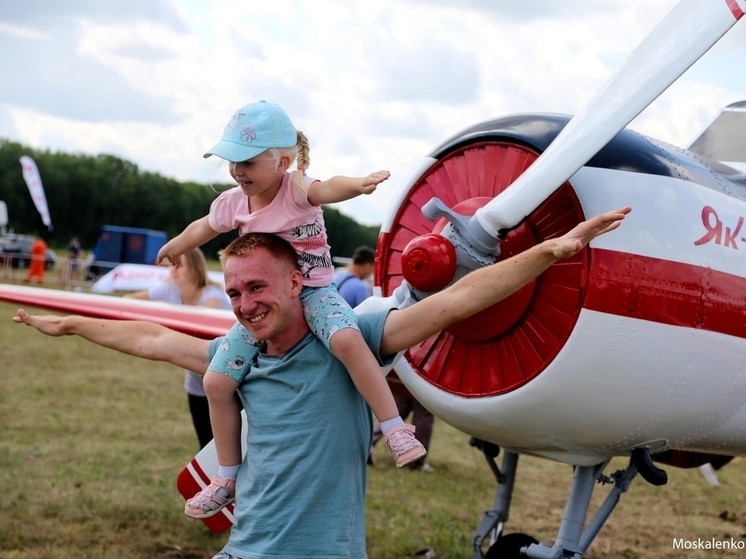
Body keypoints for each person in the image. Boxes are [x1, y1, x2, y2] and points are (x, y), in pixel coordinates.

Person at [12, 206, 631, 558]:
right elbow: (150, 338)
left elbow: (453, 302)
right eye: (233, 292)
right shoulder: (239, 353)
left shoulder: (352, 336)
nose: (245, 304)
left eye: (257, 288)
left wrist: (550, 251)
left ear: (295, 283)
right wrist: (71, 322)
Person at [156, 100, 425, 519]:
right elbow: (203, 227)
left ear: (282, 161)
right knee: (215, 382)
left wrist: (360, 184)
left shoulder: (296, 188)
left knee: (349, 340)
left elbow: (329, 187)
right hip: (265, 308)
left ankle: (393, 428)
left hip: (315, 294)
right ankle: (226, 477)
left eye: (246, 161)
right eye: (232, 162)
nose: (237, 171)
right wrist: (177, 246)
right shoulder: (232, 203)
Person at [123, 248, 231, 449]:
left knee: (228, 448)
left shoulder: (212, 295)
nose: (174, 269)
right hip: (197, 382)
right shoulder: (169, 290)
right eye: (171, 264)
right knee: (205, 447)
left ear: (195, 268)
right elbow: (128, 301)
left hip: (227, 380)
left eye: (179, 264)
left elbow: (203, 327)